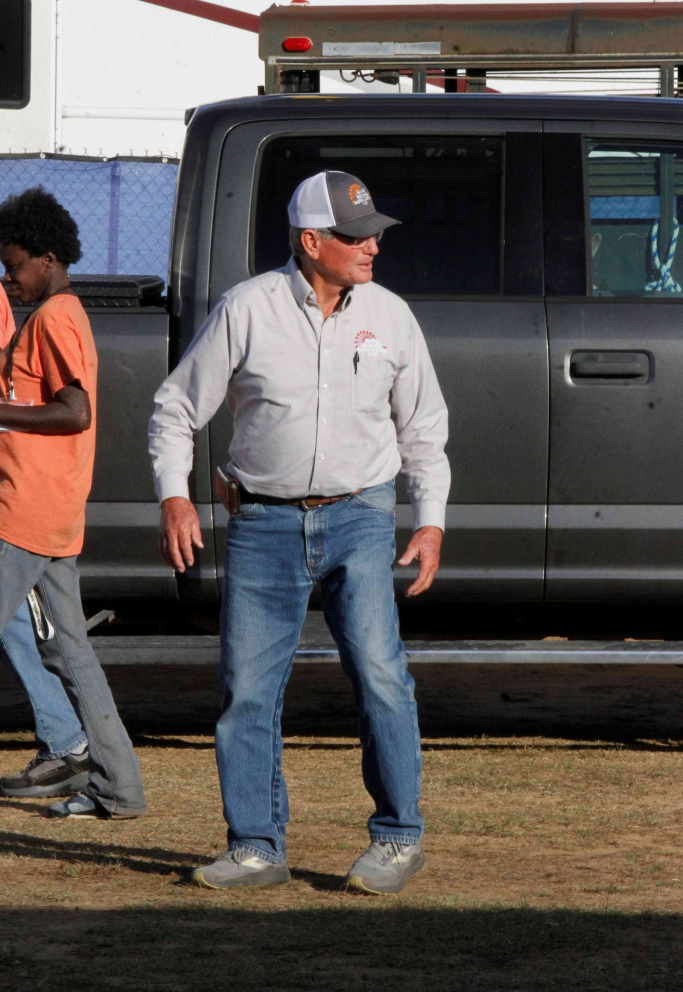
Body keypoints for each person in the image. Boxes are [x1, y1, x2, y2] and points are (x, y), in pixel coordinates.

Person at [150, 170, 449, 893]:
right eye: (355, 235)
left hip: (361, 514)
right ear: (311, 242)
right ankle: (256, 846)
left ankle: (397, 838)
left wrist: (430, 520)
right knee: (248, 688)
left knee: (380, 675)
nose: (372, 245)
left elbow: (424, 429)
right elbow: (174, 409)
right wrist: (175, 499)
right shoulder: (246, 309)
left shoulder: (392, 315)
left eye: (374, 232)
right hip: (262, 521)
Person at [0, 187, 146, 819]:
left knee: (65, 649)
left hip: (27, 510)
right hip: (50, 509)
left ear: (49, 258)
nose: (9, 279)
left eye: (15, 267)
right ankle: (120, 787)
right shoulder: (59, 312)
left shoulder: (57, 315)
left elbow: (74, 409)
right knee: (68, 650)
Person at [0, 280, 90, 799]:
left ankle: (68, 739)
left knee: (21, 611)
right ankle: (65, 735)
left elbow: (69, 407)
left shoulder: (55, 315)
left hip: (22, 490)